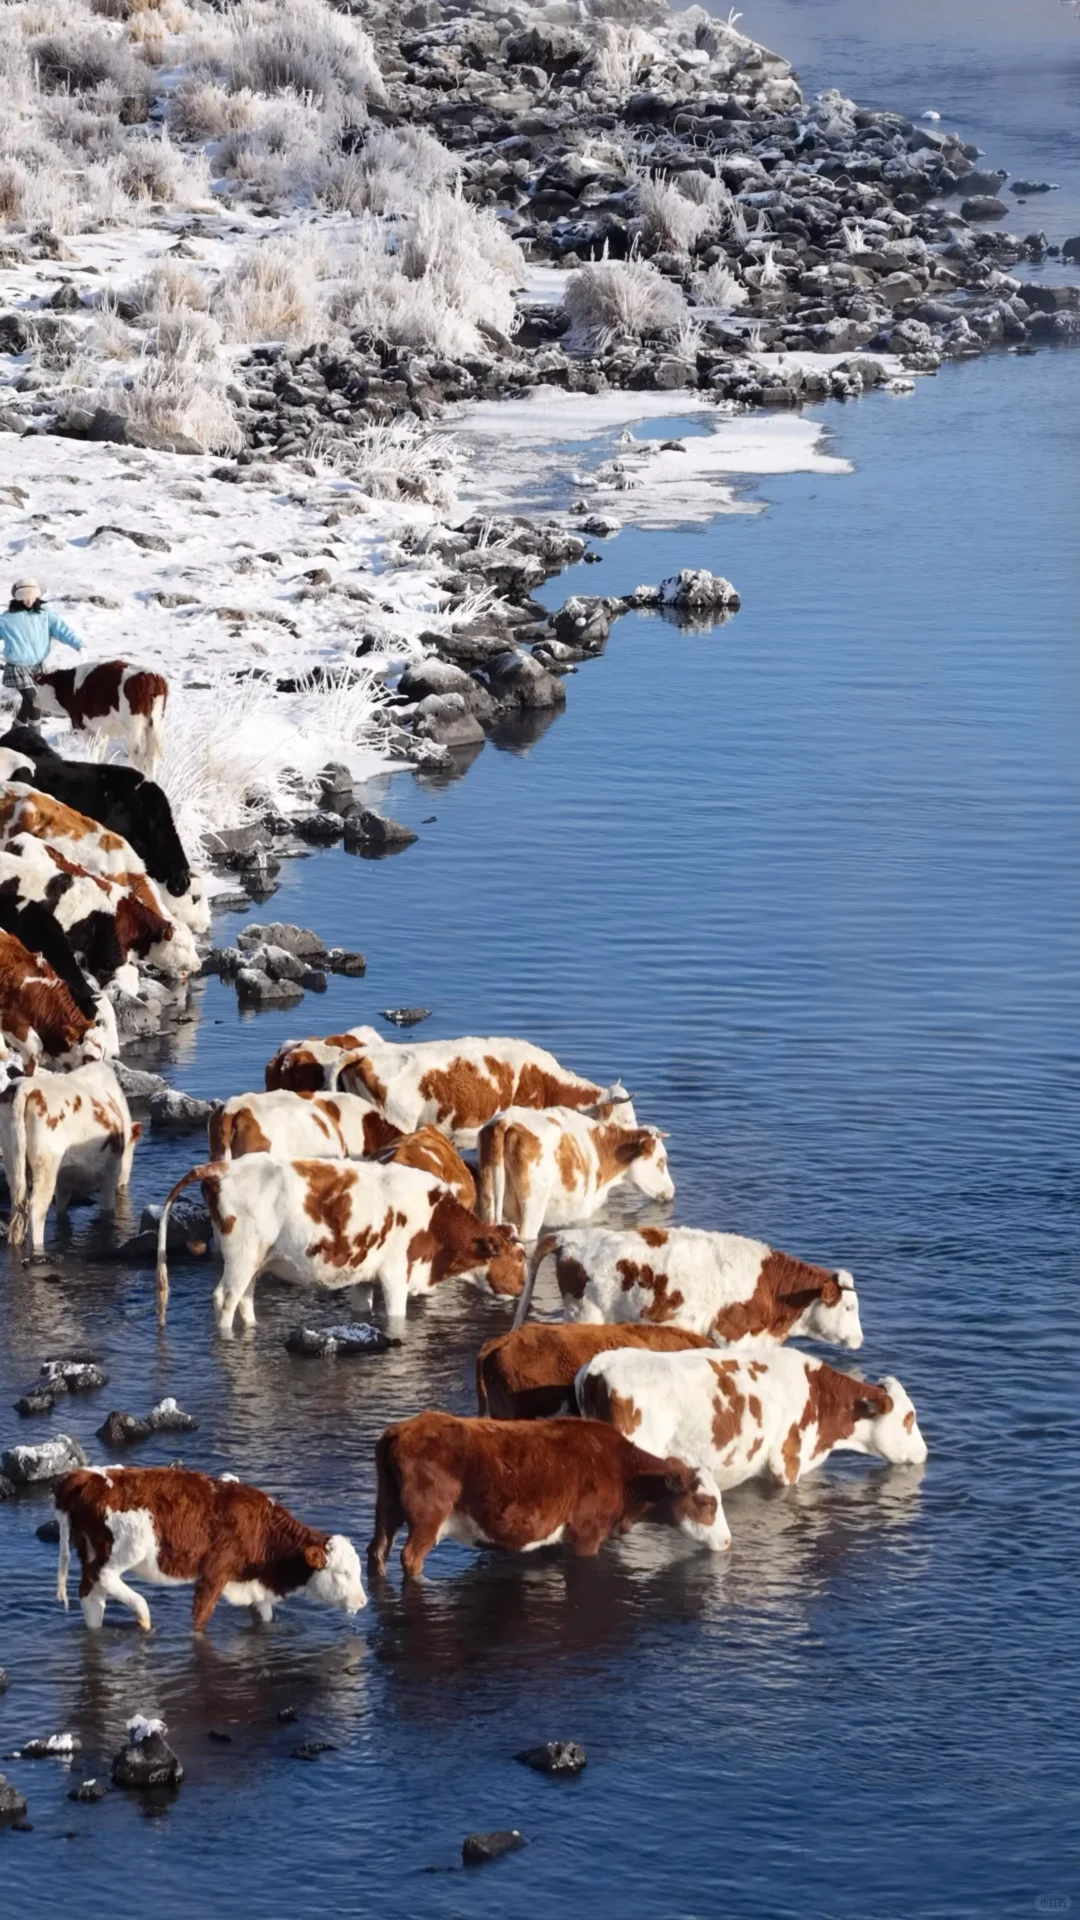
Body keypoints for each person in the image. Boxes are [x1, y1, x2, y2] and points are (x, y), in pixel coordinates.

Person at [0, 578, 84, 723]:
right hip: (17, 668)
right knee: (35, 702)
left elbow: (62, 630)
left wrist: (79, 645)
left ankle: (14, 735)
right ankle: (35, 742)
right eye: (24, 597)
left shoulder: (46, 614)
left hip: (37, 667)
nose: (28, 601)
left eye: (31, 596)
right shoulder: (7, 619)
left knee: (28, 705)